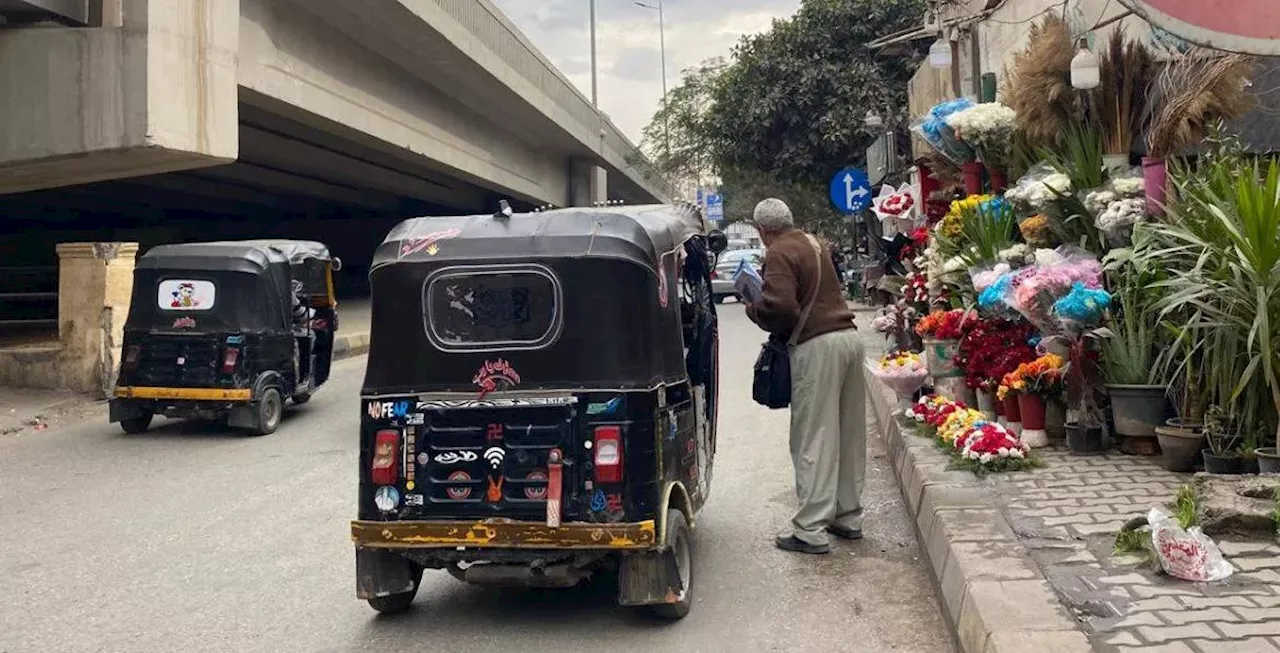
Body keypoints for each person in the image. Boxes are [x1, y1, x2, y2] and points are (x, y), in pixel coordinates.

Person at [745, 198, 866, 555]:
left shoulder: (779, 251)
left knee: (813, 435)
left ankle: (810, 529)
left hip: (817, 346)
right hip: (848, 339)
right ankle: (848, 516)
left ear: (762, 231)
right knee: (848, 433)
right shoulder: (813, 242)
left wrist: (754, 307)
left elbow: (781, 307)